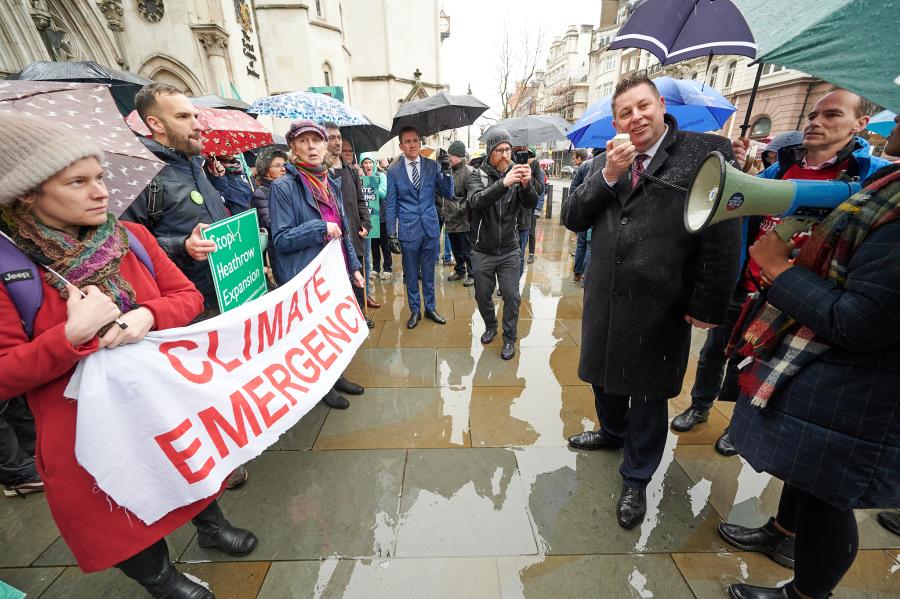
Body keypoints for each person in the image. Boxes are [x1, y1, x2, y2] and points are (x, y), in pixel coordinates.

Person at [0, 112, 256, 598]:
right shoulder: (9, 268)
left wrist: (148, 316)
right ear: (28, 194)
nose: (101, 192)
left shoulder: (131, 238)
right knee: (116, 509)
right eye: (78, 182)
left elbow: (187, 297)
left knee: (188, 464)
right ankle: (164, 580)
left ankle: (211, 525)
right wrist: (69, 337)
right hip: (83, 428)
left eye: (99, 177)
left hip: (158, 398)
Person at [725, 112, 900, 599]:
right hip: (832, 373)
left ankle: (803, 594)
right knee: (805, 470)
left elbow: (859, 320)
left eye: (831, 113)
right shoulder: (891, 184)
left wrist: (779, 270)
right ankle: (782, 533)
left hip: (863, 390)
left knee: (828, 498)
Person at [562, 76, 741, 529]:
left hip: (661, 302)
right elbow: (573, 216)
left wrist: (708, 303)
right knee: (602, 375)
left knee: (646, 391)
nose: (636, 117)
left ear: (661, 105)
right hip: (606, 294)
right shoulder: (607, 160)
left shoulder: (706, 152)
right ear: (615, 120)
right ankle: (611, 430)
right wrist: (607, 176)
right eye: (625, 112)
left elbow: (723, 235)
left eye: (643, 106)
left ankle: (637, 477)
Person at [674, 90, 891, 458]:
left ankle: (738, 425)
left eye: (832, 115)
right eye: (813, 115)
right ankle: (700, 404)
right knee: (716, 352)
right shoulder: (783, 167)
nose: (816, 123)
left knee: (759, 366)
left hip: (804, 296)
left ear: (860, 124)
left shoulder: (870, 177)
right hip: (751, 288)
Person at [120, 83, 248, 489]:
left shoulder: (194, 164)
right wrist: (182, 246)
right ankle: (211, 466)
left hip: (221, 295)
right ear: (154, 123)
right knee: (193, 392)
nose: (197, 124)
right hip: (183, 310)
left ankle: (232, 442)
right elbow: (124, 243)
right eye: (183, 117)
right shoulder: (143, 174)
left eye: (195, 115)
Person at [269, 120, 367, 410]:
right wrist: (319, 227)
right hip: (305, 277)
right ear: (293, 147)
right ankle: (322, 387)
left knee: (332, 331)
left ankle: (337, 376)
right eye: (304, 141)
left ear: (326, 146)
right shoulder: (283, 186)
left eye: (317, 140)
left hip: (334, 272)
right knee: (313, 336)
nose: (311, 146)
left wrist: (354, 267)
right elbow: (281, 239)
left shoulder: (329, 181)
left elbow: (344, 229)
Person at [467, 128, 539, 360]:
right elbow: (476, 202)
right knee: (482, 295)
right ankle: (490, 325)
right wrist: (503, 184)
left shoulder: (517, 176)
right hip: (482, 250)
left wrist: (527, 185)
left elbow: (530, 204)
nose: (505, 155)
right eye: (500, 150)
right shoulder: (476, 175)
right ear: (490, 153)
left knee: (512, 295)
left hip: (509, 249)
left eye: (508, 150)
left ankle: (509, 339)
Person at [384, 126, 454, 329]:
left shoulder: (432, 166)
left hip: (430, 228)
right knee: (412, 274)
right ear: (401, 145)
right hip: (408, 230)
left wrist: (447, 170)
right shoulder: (393, 171)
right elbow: (391, 204)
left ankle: (430, 308)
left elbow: (448, 194)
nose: (412, 144)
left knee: (429, 273)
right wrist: (391, 233)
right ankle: (415, 310)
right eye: (408, 141)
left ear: (420, 142)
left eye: (415, 140)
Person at [324, 124, 378, 322]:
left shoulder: (352, 171)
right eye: (331, 138)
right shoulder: (322, 173)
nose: (336, 142)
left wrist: (366, 222)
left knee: (358, 276)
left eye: (338, 137)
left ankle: (360, 315)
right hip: (334, 236)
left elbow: (360, 201)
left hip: (355, 234)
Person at [442, 141, 474, 286]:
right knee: (456, 249)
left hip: (463, 220)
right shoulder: (449, 171)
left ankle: (472, 273)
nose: (449, 158)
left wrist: (459, 210)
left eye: (452, 156)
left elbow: (470, 197)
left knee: (467, 249)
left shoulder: (469, 172)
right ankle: (460, 270)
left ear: (460, 157)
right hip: (450, 219)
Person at [514, 146, 546, 277]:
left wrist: (528, 175)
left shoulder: (535, 166)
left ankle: (514, 283)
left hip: (525, 216)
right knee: (508, 255)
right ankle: (507, 284)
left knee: (520, 254)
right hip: (508, 217)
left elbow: (539, 189)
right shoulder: (510, 161)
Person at [364, 154, 393, 281]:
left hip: (381, 216)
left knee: (384, 243)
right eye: (365, 163)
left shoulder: (380, 176)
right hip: (368, 217)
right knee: (373, 245)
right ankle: (376, 268)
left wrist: (370, 182)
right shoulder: (359, 177)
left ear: (374, 164)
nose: (368, 165)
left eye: (370, 163)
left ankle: (387, 268)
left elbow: (383, 194)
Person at [568, 148, 590, 282]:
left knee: (582, 243)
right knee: (590, 244)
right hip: (598, 211)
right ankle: (587, 278)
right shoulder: (607, 163)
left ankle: (577, 274)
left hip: (583, 210)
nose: (572, 160)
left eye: (574, 157)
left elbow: (573, 191)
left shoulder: (584, 166)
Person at [525, 147, 546, 265]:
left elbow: (541, 191)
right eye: (526, 156)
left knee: (531, 231)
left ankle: (531, 253)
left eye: (530, 156)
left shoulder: (538, 169)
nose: (528, 158)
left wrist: (538, 208)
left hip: (533, 206)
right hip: (523, 206)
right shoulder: (520, 166)